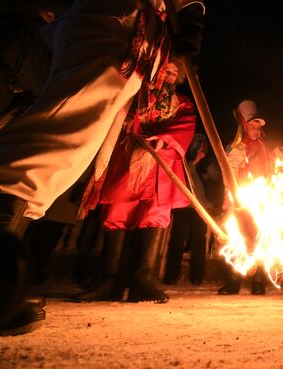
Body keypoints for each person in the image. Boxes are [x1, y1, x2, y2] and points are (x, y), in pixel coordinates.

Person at [0, 0, 204, 334]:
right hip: (114, 24)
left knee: (66, 155)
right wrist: (191, 13)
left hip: (129, 38)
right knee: (54, 139)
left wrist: (190, 16)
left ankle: (3, 281)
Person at [70, 58, 196, 303]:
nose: (169, 76)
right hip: (127, 161)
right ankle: (108, 281)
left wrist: (165, 139)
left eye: (173, 72)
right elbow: (114, 114)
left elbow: (185, 125)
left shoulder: (181, 102)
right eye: (164, 70)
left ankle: (142, 280)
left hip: (161, 166)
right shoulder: (135, 95)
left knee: (154, 215)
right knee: (116, 214)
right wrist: (125, 121)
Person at [217, 99, 283, 295]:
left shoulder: (267, 147)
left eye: (258, 124)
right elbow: (229, 174)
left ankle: (258, 281)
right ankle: (233, 281)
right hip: (242, 199)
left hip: (263, 199)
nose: (257, 128)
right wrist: (230, 198)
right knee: (239, 239)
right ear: (243, 125)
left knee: (260, 239)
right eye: (253, 124)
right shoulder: (237, 148)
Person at [163, 132, 215, 285]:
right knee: (177, 239)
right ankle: (171, 275)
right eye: (196, 142)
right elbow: (182, 176)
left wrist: (207, 165)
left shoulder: (208, 162)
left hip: (201, 207)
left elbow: (215, 179)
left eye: (202, 142)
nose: (199, 145)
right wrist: (195, 162)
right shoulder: (184, 159)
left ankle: (197, 277)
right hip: (184, 204)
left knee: (199, 240)